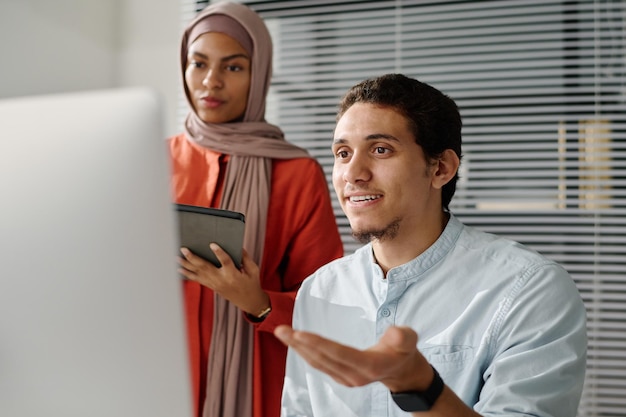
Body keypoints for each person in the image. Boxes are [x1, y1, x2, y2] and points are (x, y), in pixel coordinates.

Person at [274, 73, 587, 416]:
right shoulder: (319, 291)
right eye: (343, 153)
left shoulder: (530, 289)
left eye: (380, 150)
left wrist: (422, 388)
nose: (353, 173)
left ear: (441, 168)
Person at [170, 3, 343, 417]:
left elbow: (326, 303)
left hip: (257, 383)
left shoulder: (295, 173)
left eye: (233, 67)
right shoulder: (150, 158)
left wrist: (259, 301)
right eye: (199, 63)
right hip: (159, 369)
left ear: (259, 73)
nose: (210, 82)